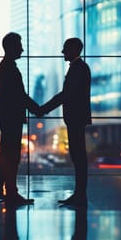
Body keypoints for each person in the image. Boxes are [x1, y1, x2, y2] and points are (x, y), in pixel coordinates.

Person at [38, 37, 91, 207]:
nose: (62, 52)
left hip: (76, 118)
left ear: (74, 50)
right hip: (76, 118)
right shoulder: (79, 68)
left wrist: (43, 108)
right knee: (77, 156)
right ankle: (79, 194)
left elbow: (65, 95)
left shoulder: (78, 69)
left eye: (65, 49)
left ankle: (80, 195)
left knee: (78, 157)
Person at [0, 32, 39, 205]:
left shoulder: (6, 66)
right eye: (19, 46)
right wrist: (37, 109)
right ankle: (10, 193)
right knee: (11, 155)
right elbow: (19, 96)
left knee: (6, 154)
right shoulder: (8, 68)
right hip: (11, 117)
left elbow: (18, 95)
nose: (22, 49)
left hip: (8, 116)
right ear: (10, 47)